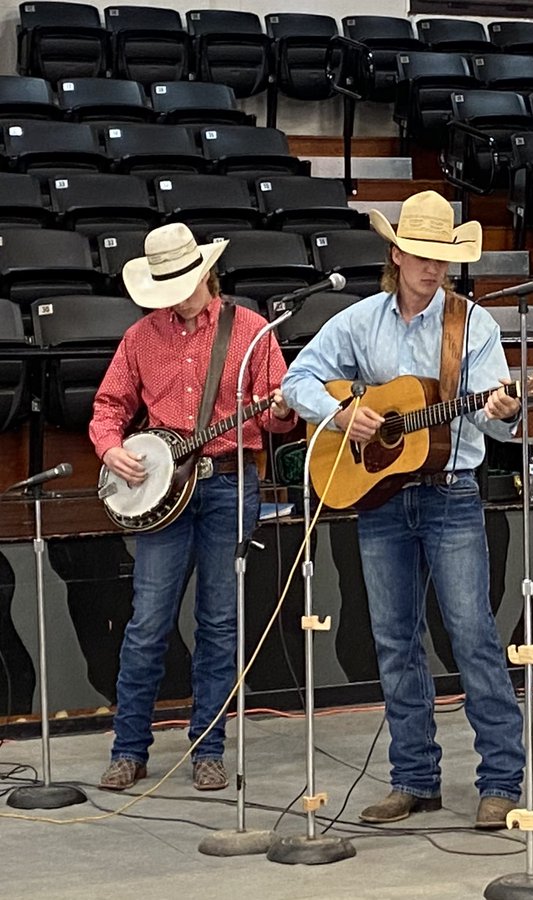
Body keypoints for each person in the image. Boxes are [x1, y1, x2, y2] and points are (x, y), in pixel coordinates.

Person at [281, 191, 525, 830]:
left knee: (473, 636)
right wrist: (341, 414)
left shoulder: (473, 326)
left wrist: (506, 409)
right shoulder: (360, 320)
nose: (433, 268)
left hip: (451, 493)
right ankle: (414, 779)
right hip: (380, 499)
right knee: (393, 640)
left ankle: (501, 782)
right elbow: (296, 379)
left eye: (443, 257)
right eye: (421, 255)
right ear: (397, 253)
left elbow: (497, 420)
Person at [90, 222, 294, 792]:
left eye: (181, 280)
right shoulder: (140, 338)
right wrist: (111, 448)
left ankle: (209, 748)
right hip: (162, 491)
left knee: (220, 623)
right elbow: (109, 404)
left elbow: (284, 415)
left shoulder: (251, 330)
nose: (174, 294)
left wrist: (278, 409)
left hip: (230, 483)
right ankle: (129, 749)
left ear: (206, 272)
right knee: (148, 623)